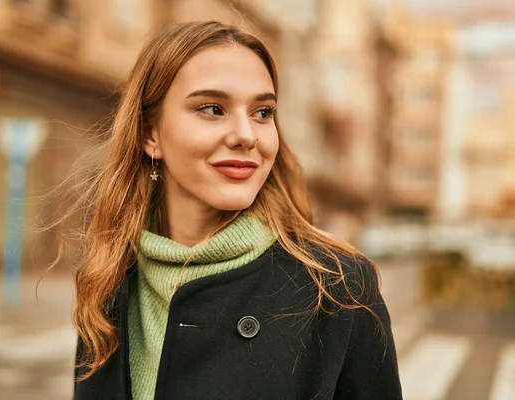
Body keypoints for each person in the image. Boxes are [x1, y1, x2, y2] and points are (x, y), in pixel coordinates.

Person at [71, 20, 402, 400]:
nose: (247, 135)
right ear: (151, 134)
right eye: (213, 108)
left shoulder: (338, 289)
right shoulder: (108, 278)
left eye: (263, 112)